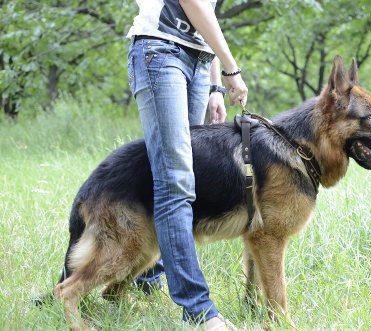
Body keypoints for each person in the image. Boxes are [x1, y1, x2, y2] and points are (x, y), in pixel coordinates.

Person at [127, 0, 248, 328]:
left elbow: (205, 15)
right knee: (175, 181)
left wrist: (214, 87)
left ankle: (147, 279)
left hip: (197, 60)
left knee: (178, 180)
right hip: (160, 51)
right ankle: (198, 310)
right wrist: (231, 68)